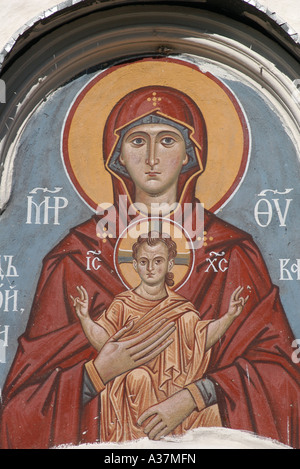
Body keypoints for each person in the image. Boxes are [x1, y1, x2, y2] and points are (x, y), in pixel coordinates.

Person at [0, 84, 299, 449]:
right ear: (118, 155)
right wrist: (97, 374)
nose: (152, 157)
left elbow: (280, 377)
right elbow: (19, 409)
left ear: (190, 154)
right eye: (138, 141)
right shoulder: (76, 257)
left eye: (168, 141)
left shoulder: (233, 252)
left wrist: (196, 394)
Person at [73, 232, 248, 442]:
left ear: (169, 264)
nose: (150, 268)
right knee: (139, 378)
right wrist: (85, 318)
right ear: (135, 265)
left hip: (173, 388)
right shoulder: (122, 305)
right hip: (128, 388)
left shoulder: (181, 309)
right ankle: (138, 444)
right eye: (144, 261)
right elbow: (105, 342)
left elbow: (199, 340)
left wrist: (229, 316)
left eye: (158, 261)